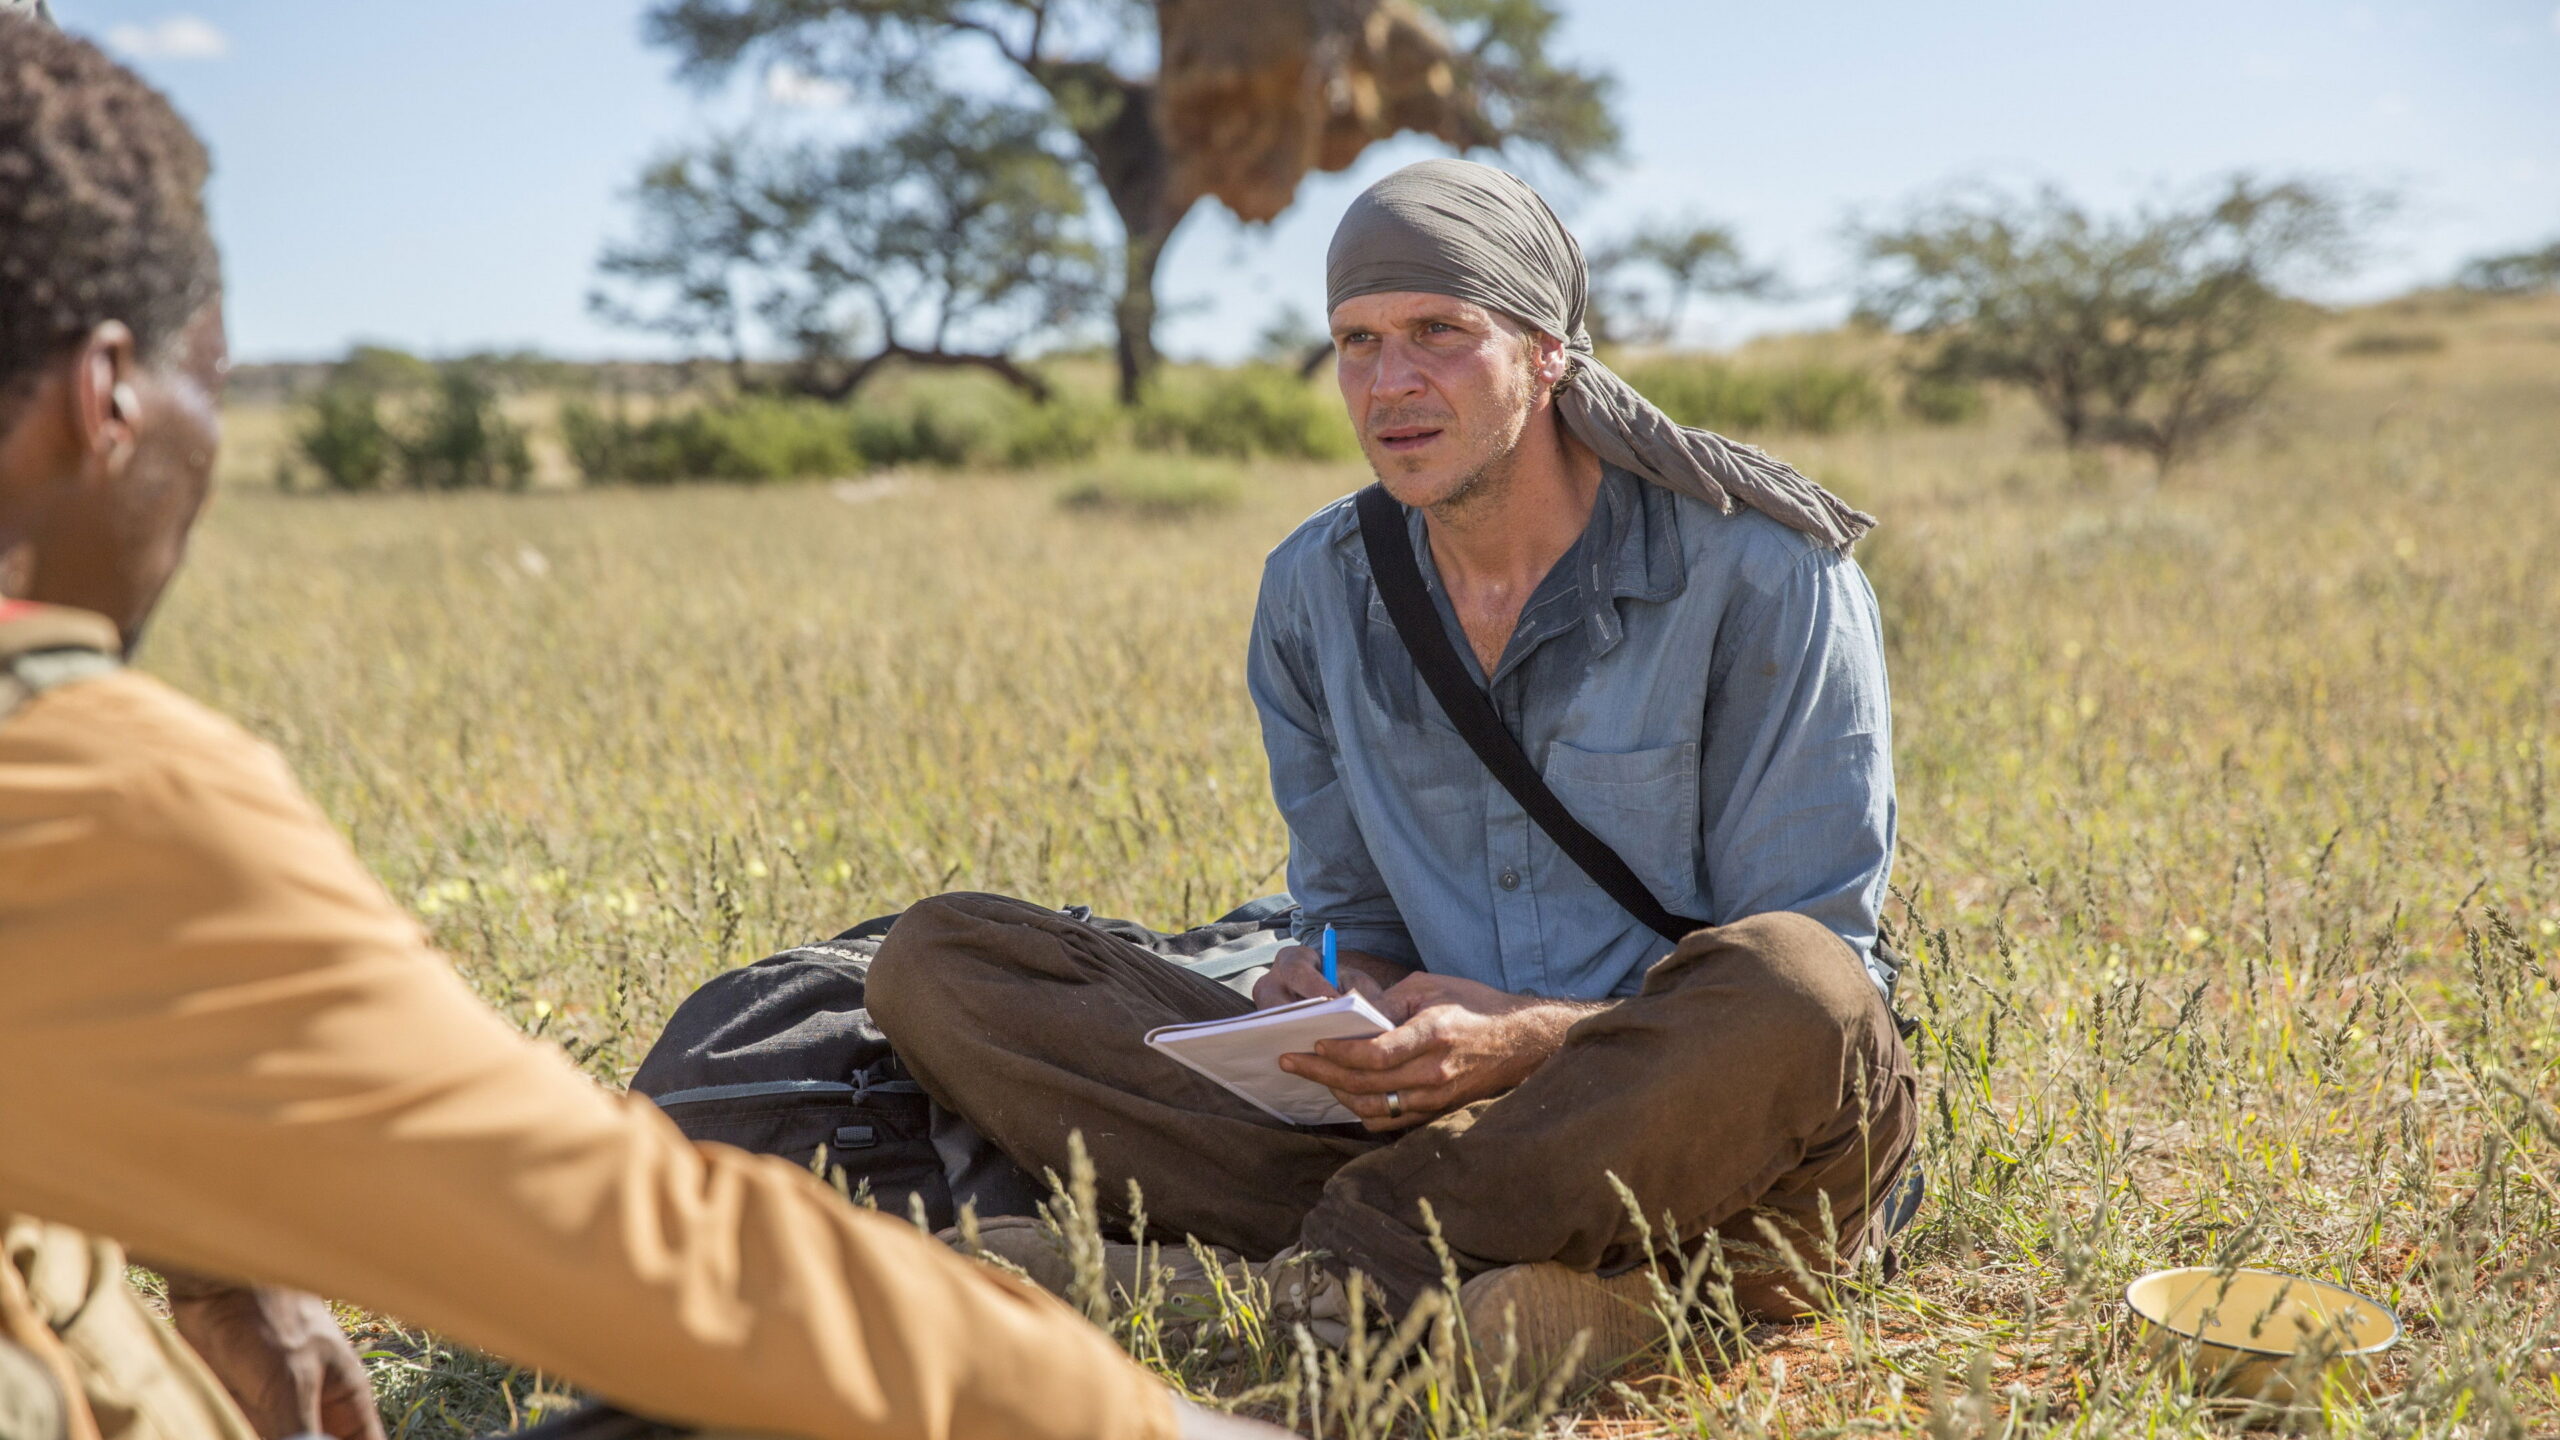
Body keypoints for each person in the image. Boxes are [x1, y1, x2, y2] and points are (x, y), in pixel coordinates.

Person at [0, 20, 1281, 1440]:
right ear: (104, 400)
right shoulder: (82, 787)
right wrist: (1180, 1430)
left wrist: (214, 1261)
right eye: (213, 384)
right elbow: (654, 1258)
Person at [869, 159, 1918, 1382]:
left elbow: (1815, 969)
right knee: (942, 960)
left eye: (1437, 333)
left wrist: (1525, 1042)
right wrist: (1332, 995)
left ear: (1546, 352)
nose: (1390, 384)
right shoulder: (1315, 589)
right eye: (1356, 343)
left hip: (1685, 1125)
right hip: (1428, 1124)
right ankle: (1521, 1285)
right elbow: (1352, 916)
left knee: (1799, 987)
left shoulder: (1766, 576)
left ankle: (1317, 1276)